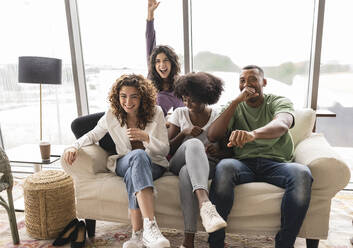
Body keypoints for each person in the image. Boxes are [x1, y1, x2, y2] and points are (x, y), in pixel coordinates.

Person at [206, 65, 313, 248]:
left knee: (302, 173)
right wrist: (234, 103)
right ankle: (216, 243)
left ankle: (285, 244)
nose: (247, 84)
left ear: (263, 82)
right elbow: (213, 135)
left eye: (253, 79)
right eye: (242, 81)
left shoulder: (277, 101)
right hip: (243, 163)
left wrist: (252, 134)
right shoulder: (235, 106)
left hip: (277, 164)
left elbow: (282, 124)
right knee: (224, 167)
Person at [63, 74, 171, 248]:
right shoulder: (112, 114)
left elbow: (165, 150)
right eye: (123, 96)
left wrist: (146, 138)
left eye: (134, 96)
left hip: (154, 164)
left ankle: (137, 235)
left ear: (143, 97)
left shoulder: (156, 112)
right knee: (137, 156)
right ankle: (151, 227)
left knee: (134, 170)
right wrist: (73, 146)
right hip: (123, 161)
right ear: (117, 96)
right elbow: (93, 134)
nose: (128, 101)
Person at [168, 72, 229, 248]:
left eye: (192, 100)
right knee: (193, 143)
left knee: (187, 173)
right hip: (177, 160)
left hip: (205, 166)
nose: (187, 104)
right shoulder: (180, 113)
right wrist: (183, 133)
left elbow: (228, 152)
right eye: (184, 99)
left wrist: (216, 150)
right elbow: (168, 149)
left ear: (206, 97)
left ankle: (188, 242)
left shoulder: (218, 115)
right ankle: (205, 203)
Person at [146, 0, 184, 116]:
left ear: (172, 63)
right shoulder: (151, 79)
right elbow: (150, 38)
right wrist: (150, 13)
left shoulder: (178, 85)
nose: (161, 65)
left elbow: (182, 113)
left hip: (171, 128)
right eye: (158, 61)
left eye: (165, 60)